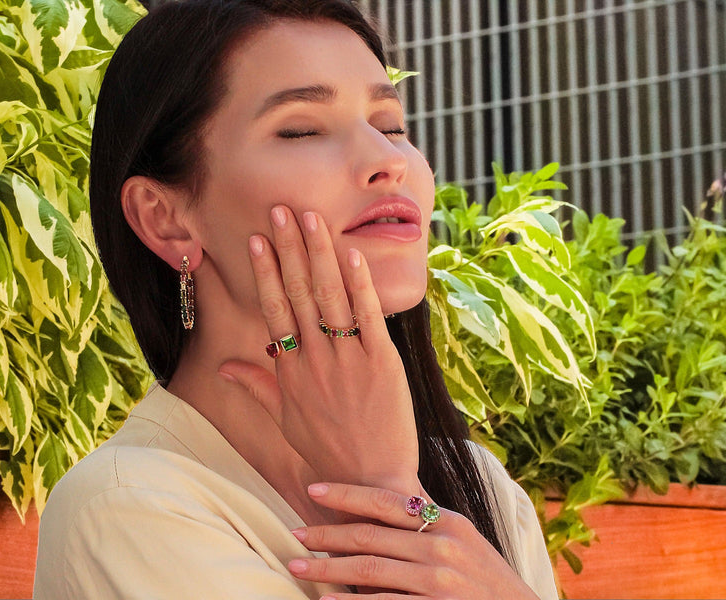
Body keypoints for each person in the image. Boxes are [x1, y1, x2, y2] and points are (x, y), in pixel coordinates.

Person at [34, 1, 559, 598]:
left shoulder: (483, 491)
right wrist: (381, 488)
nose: (390, 161)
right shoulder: (126, 508)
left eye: (391, 126)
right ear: (166, 219)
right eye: (302, 129)